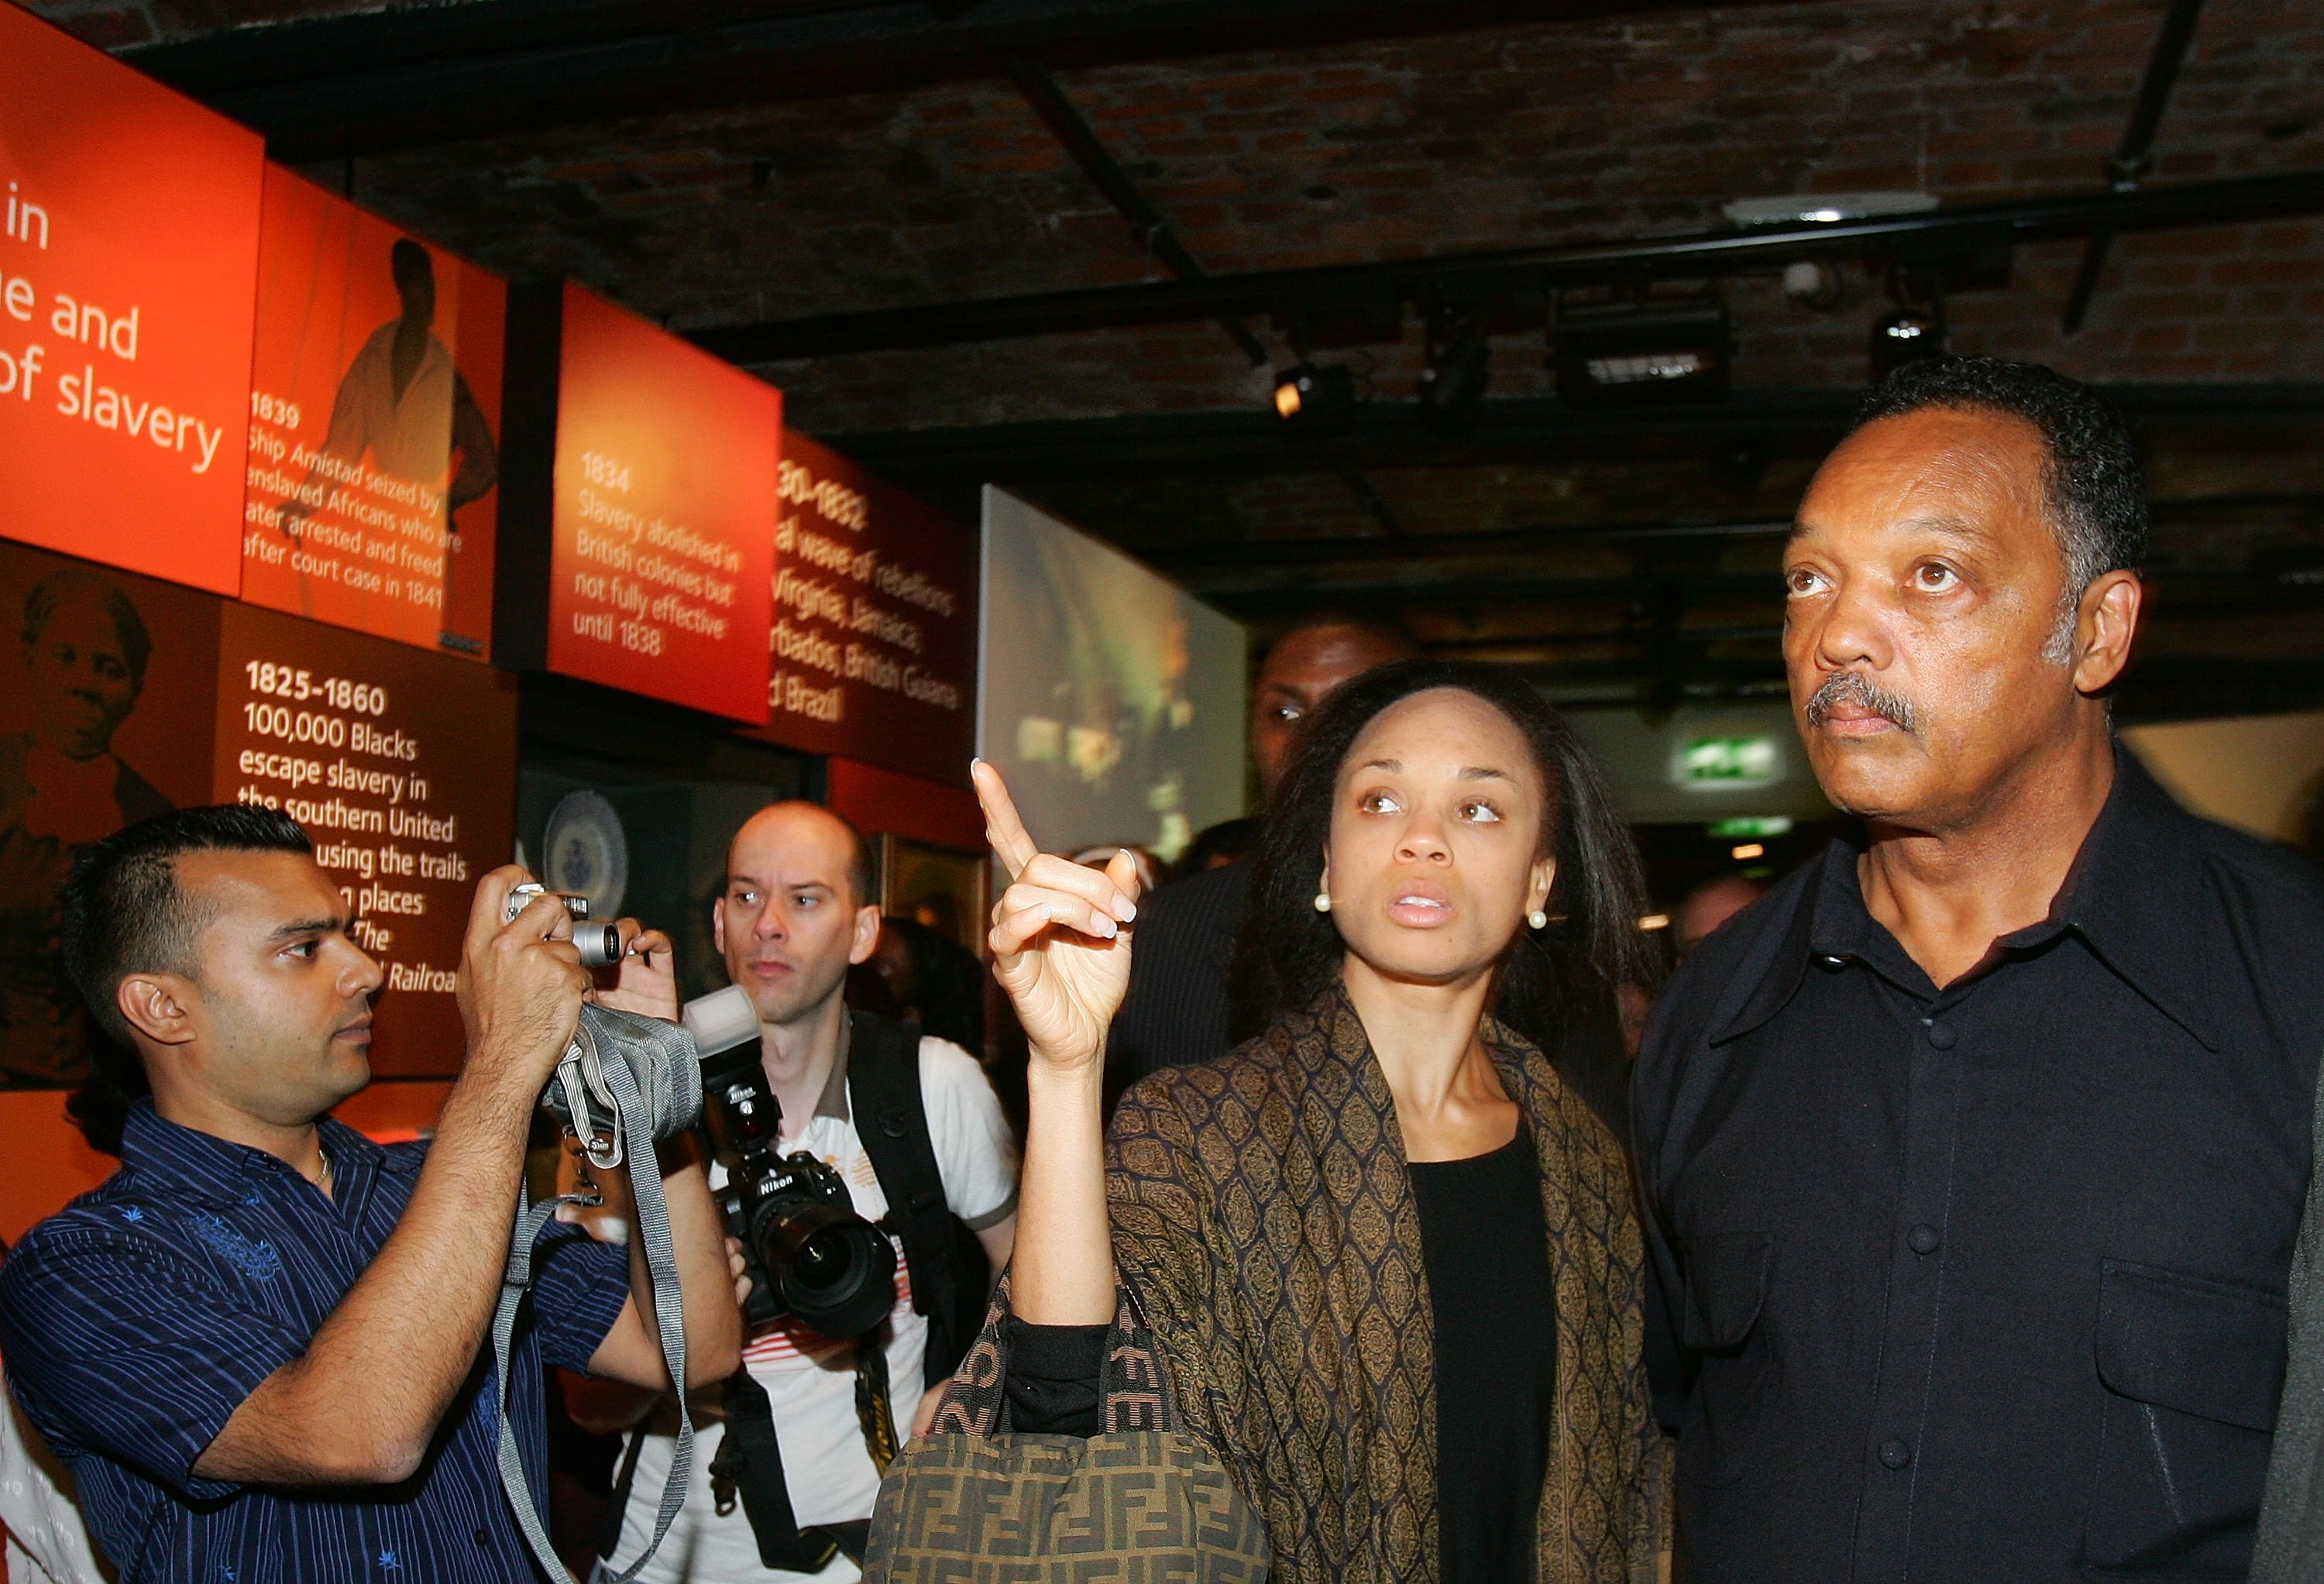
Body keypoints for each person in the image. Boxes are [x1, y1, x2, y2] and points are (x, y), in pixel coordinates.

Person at [1632, 357, 2324, 1579]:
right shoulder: (1714, 1012)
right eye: (1808, 580)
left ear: (2097, 631)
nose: (1837, 635)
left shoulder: (2294, 987)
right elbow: (1671, 1429)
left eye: (1933, 574)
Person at [956, 657, 1667, 1583]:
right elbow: (1062, 1409)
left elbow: (1633, 1479)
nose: (1423, 838)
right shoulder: (1197, 1131)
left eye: (1478, 808)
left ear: (1539, 880)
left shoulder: (1582, 1160)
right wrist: (1066, 1068)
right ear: (1327, 863)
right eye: (1381, 800)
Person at [0, 806, 744, 1582]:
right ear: (164, 1006)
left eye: (349, 935)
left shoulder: (431, 1184)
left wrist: (647, 1092)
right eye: (303, 948)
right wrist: (500, 1062)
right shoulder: (80, 1267)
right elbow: (363, 1433)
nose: (366, 971)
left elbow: (691, 1346)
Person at [596, 802, 1018, 1584]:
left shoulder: (932, 1086)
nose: (769, 925)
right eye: (747, 896)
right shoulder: (635, 1098)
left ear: (862, 932)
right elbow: (588, 1404)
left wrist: (978, 1386)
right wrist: (683, 1313)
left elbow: (1025, 1265)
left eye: (805, 898)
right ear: (719, 922)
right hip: (663, 1557)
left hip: (875, 1550)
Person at [1105, 614, 1418, 1085]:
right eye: (1285, 714)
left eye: (1354, 711)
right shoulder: (1163, 940)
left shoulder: (1486, 937)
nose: (1311, 740)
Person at [0, 570, 170, 1087]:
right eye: (65, 657)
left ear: (135, 690)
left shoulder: (154, 820)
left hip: (103, 1099)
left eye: (108, 669)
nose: (84, 685)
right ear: (31, 658)